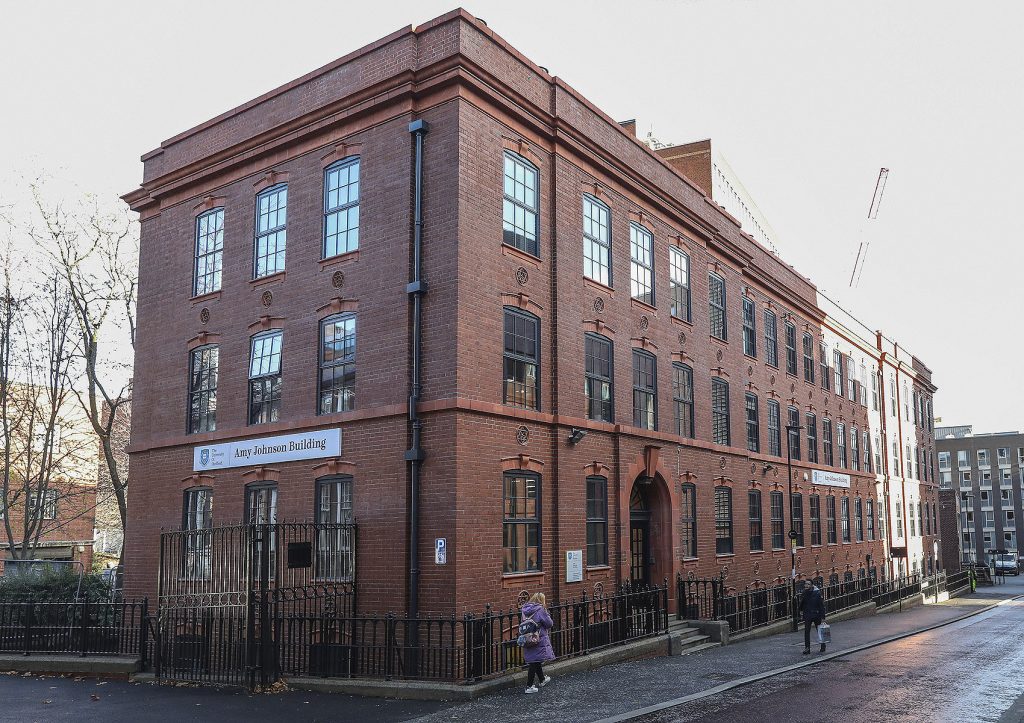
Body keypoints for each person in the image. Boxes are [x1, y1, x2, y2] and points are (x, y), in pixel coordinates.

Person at [521, 592, 555, 693]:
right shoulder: (540, 609)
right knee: (534, 662)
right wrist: (546, 614)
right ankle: (529, 686)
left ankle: (542, 680)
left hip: (527, 637)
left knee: (535, 659)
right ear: (541, 600)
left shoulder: (524, 609)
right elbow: (549, 624)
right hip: (537, 637)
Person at [798, 581, 827, 654]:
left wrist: (823, 617)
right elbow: (802, 603)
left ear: (812, 585)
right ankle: (807, 648)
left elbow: (821, 606)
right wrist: (801, 611)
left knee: (819, 630)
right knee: (806, 632)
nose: (806, 585)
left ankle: (823, 645)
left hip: (816, 615)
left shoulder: (817, 593)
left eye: (808, 584)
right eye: (806, 584)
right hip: (807, 615)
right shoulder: (804, 593)